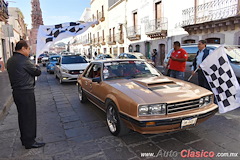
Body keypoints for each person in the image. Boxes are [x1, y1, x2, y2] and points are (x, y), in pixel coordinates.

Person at [7, 40, 45, 149]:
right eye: (28, 49)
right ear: (23, 48)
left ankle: (25, 139)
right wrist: (37, 66)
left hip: (17, 92)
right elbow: (37, 72)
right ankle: (30, 141)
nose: (29, 51)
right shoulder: (24, 60)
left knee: (22, 117)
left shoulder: (10, 60)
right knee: (29, 117)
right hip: (26, 92)